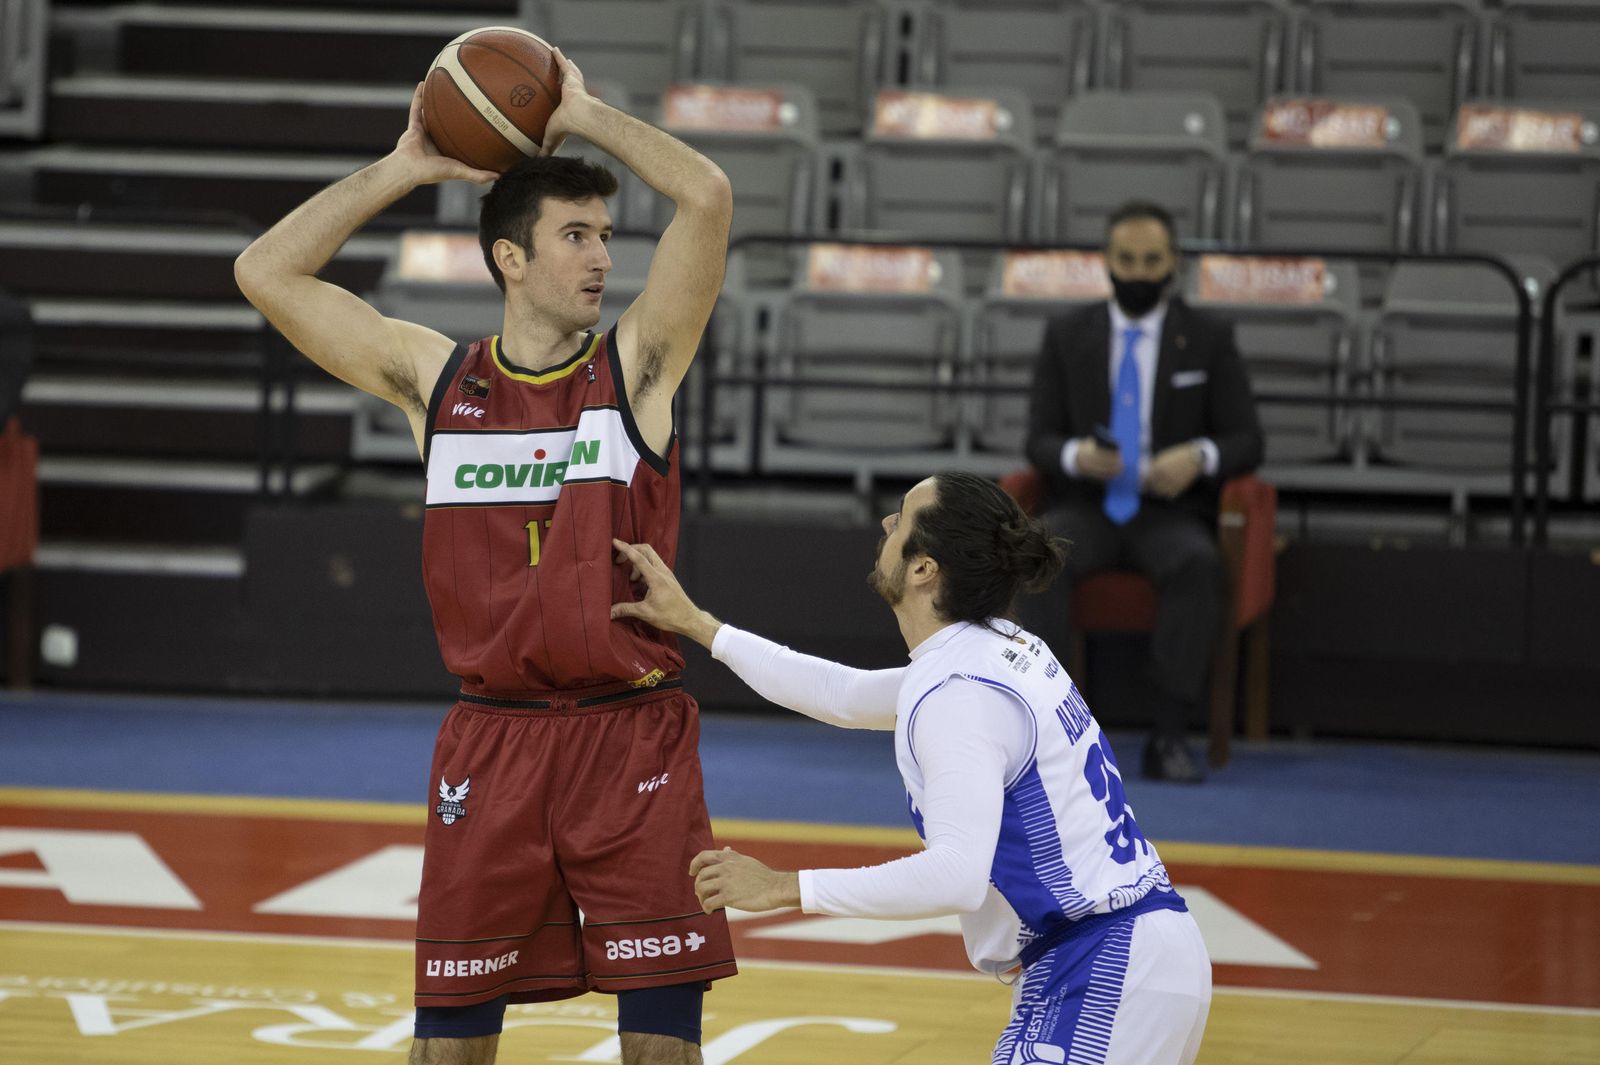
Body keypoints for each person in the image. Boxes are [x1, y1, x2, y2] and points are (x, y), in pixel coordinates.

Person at [234, 47, 736, 1065]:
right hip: (491, 742)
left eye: (604, 235)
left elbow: (707, 195)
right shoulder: (437, 381)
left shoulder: (635, 371)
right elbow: (264, 272)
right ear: (510, 259)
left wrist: (584, 114)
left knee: (662, 1049)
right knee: (448, 1047)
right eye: (574, 237)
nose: (601, 258)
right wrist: (407, 165)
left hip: (627, 737)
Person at [611, 471, 1213, 1065]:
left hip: (1104, 967)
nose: (886, 523)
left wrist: (784, 886)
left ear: (925, 568)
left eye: (901, 516)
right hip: (1127, 957)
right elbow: (840, 695)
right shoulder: (998, 646)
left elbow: (956, 875)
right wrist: (697, 625)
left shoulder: (961, 694)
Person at [1019, 201, 1265, 783]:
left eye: (1151, 260)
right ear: (1106, 262)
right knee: (1036, 555)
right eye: (1125, 260)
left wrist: (1197, 457)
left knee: (1198, 565)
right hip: (1089, 506)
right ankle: (1051, 735)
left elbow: (1247, 441)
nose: (1137, 273)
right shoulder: (1067, 333)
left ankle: (1170, 734)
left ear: (1173, 263)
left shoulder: (1208, 337)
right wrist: (1082, 456)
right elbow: (1038, 440)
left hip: (1169, 511)